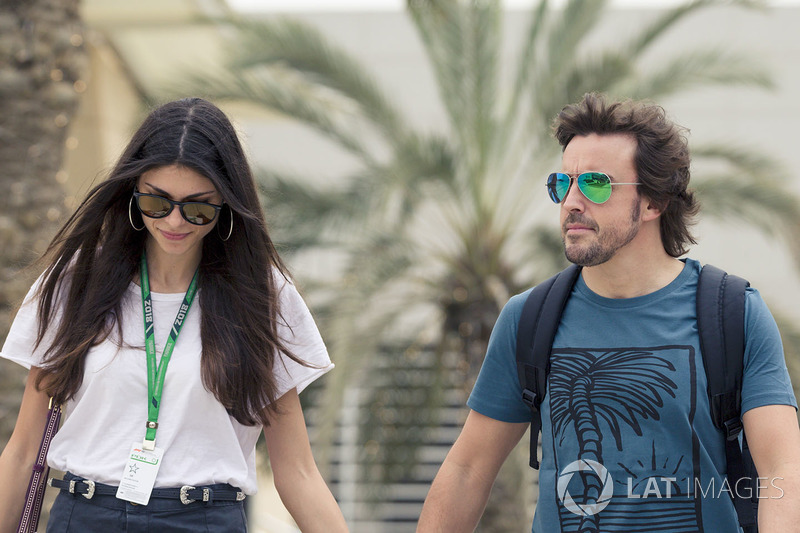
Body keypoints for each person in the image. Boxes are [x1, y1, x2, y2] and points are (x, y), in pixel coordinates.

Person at [417, 93, 800, 532]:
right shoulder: (528, 319)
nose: (572, 201)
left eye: (596, 184)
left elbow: (782, 474)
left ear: (655, 201)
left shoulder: (732, 314)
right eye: (562, 184)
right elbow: (468, 470)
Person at [0, 98, 349, 532]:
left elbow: (297, 472)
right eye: (157, 203)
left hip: (204, 518)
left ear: (226, 202)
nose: (175, 221)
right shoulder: (77, 283)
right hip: (87, 515)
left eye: (198, 207)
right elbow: (22, 451)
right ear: (133, 191)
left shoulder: (262, 295)